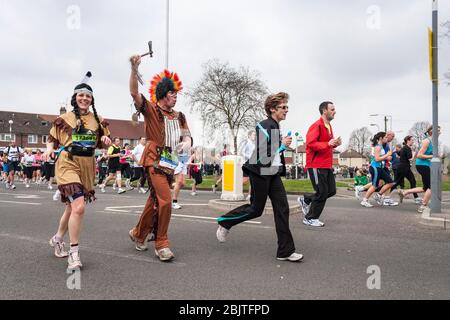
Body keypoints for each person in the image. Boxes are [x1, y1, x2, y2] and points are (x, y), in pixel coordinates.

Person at [216, 92, 303, 262]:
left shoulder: (276, 126)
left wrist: (281, 146)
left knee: (282, 209)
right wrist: (281, 145)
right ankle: (225, 221)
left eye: (287, 107)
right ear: (272, 109)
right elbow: (263, 155)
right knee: (256, 209)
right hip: (261, 172)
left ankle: (285, 251)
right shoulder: (264, 125)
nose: (286, 110)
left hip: (273, 172)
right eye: (283, 107)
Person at [45, 72, 111, 272]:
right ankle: (74, 253)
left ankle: (57, 239)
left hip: (87, 165)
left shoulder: (98, 120)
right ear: (75, 98)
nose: (84, 98)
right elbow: (51, 138)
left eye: (88, 96)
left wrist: (106, 142)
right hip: (68, 163)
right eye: (80, 95)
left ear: (92, 100)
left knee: (72, 208)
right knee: (79, 208)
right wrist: (49, 149)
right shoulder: (65, 118)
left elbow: (104, 141)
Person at [128, 56, 192, 262]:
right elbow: (134, 93)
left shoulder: (180, 115)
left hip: (170, 161)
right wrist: (134, 69)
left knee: (154, 200)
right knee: (165, 201)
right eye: (172, 93)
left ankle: (138, 234)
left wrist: (187, 143)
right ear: (164, 94)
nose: (175, 96)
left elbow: (187, 135)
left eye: (176, 93)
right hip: (154, 160)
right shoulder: (151, 110)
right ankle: (161, 243)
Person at [298, 101, 341, 227]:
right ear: (324, 111)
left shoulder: (328, 126)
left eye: (334, 109)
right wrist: (328, 144)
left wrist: (334, 143)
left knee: (331, 191)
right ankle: (310, 218)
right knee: (322, 192)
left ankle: (306, 199)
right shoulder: (316, 125)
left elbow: (326, 145)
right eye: (332, 109)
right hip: (315, 165)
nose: (334, 111)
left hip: (326, 165)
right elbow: (310, 143)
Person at [398, 126, 440, 213]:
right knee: (432, 187)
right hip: (422, 165)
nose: (440, 132)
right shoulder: (427, 141)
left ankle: (404, 192)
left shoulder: (433, 141)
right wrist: (433, 156)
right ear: (432, 131)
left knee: (426, 188)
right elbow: (419, 155)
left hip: (426, 165)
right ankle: (423, 205)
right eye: (438, 130)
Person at [360, 132, 395, 208]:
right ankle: (364, 200)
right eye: (385, 137)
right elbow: (377, 159)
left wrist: (387, 157)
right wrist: (387, 155)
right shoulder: (378, 147)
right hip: (375, 167)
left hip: (380, 168)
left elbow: (381, 157)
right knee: (375, 185)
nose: (387, 138)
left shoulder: (381, 146)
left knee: (391, 182)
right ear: (380, 138)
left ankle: (378, 195)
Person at [391, 136, 420, 204]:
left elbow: (399, 153)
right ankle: (383, 195)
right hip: (404, 168)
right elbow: (410, 158)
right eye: (412, 140)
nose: (413, 141)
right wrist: (414, 152)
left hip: (404, 168)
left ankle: (416, 197)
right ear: (408, 140)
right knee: (397, 183)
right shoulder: (407, 148)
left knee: (412, 181)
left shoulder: (404, 148)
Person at [172, 136, 192, 209]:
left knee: (182, 184)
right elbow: (176, 154)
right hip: (178, 165)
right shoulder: (180, 145)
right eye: (187, 139)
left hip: (183, 166)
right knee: (179, 182)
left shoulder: (189, 148)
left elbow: (186, 158)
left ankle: (171, 185)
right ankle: (174, 202)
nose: (189, 141)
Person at [239, 130, 256, 200]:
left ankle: (249, 195)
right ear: (249, 135)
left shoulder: (254, 144)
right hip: (247, 163)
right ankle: (238, 191)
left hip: (253, 163)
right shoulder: (246, 142)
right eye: (253, 135)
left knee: (252, 180)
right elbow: (241, 152)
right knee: (244, 180)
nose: (254, 136)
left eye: (255, 135)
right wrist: (249, 157)